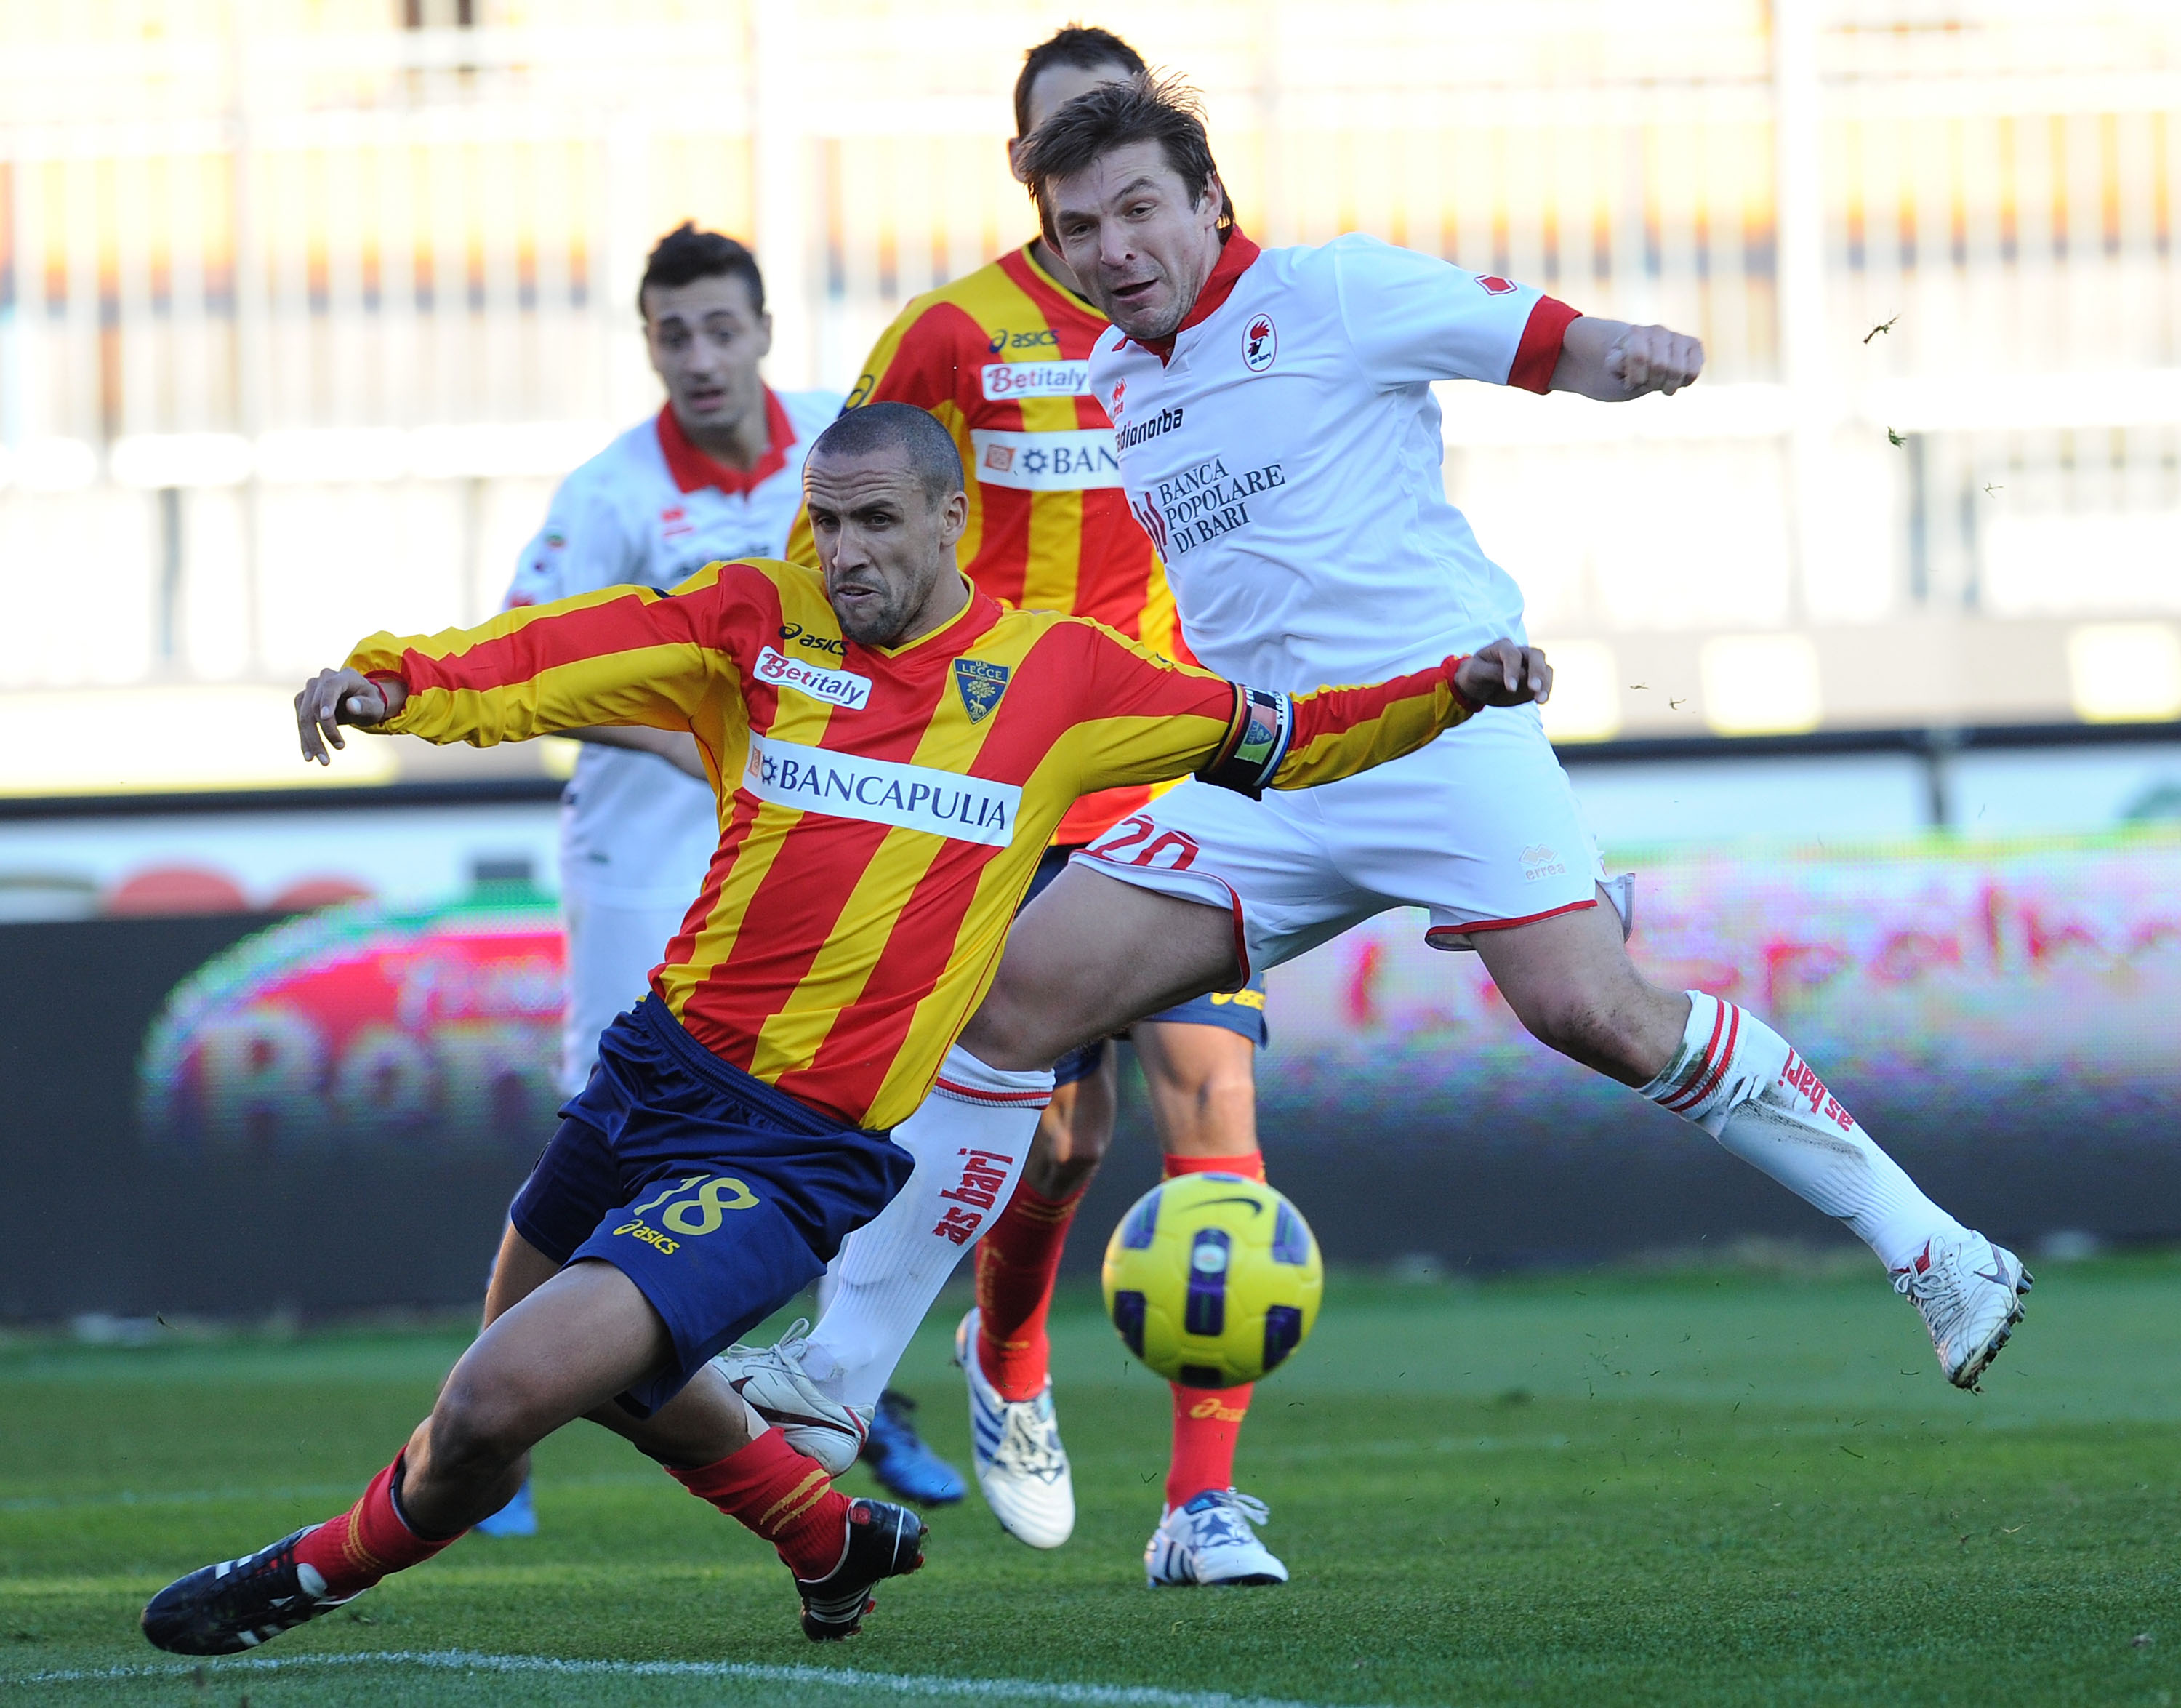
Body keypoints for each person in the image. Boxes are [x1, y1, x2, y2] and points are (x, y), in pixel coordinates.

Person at [734, 73, 2036, 1584]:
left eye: (1143, 207)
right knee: (1010, 1000)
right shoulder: (1116, 374)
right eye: (1080, 226)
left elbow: (1537, 339)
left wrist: (1628, 353)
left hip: (1445, 726)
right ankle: (841, 1364)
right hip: (1275, 773)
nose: (1114, 246)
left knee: (1593, 1011)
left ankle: (1938, 1246)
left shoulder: (1333, 290)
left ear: (1211, 202)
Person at [139, 401, 1554, 1658]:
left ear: (953, 518)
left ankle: (295, 1573)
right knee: (513, 1401)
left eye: (876, 520)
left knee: (505, 1387)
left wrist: (1451, 693)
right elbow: (566, 650)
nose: (845, 552)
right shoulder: (757, 618)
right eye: (825, 522)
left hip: (794, 1147)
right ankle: (824, 1531)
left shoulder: (1058, 679)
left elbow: (1279, 732)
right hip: (650, 1071)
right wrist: (403, 681)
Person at [753, 23, 1280, 1576]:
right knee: (1055, 1138)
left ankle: (1201, 1501)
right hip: (1006, 778)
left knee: (1214, 1101)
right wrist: (832, 705)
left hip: (1175, 753)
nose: (1098, 209)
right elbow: (841, 520)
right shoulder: (955, 332)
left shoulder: (1237, 306)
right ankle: (1014, 1362)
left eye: (1125, 166)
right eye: (1067, 165)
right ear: (1027, 173)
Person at [477, 222, 957, 1528]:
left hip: (820, 838)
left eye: (720, 328)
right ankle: (497, 1437)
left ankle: (849, 1393)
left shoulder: (839, 450)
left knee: (838, 1111)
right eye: (672, 333)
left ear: (763, 332)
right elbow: (545, 655)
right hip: (651, 835)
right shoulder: (610, 491)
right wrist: (713, 741)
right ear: (649, 345)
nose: (700, 356)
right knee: (608, 1128)